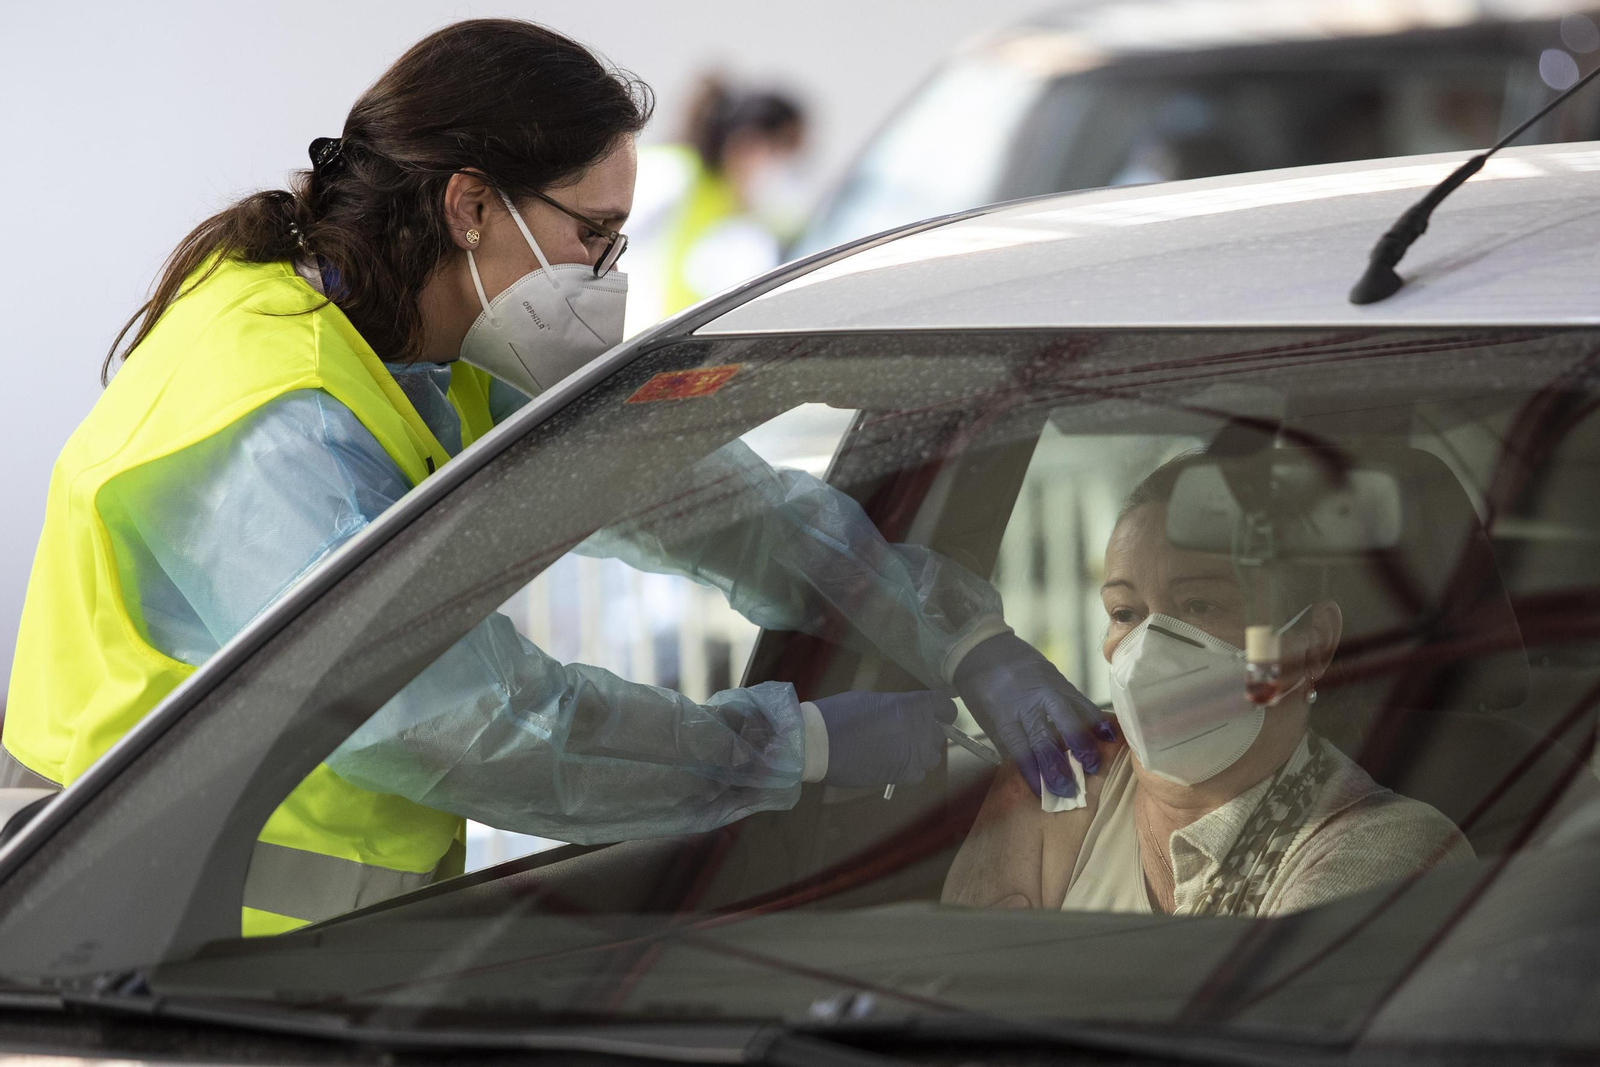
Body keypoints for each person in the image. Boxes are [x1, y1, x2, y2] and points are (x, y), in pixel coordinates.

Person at [2, 20, 1103, 937]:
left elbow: (730, 511)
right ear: (471, 206)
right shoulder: (273, 418)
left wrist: (965, 639)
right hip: (131, 957)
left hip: (299, 958)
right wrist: (793, 747)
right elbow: (472, 721)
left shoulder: (438, 358)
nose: (603, 278)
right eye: (595, 235)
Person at [943, 452, 1473, 917]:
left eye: (1200, 606)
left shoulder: (1390, 848)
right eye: (1125, 612)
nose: (1150, 647)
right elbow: (950, 992)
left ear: (1310, 643)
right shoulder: (1059, 776)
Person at [624, 76, 809, 332]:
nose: (788, 169)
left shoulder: (748, 210)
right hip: (636, 344)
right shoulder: (672, 175)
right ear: (749, 144)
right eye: (786, 151)